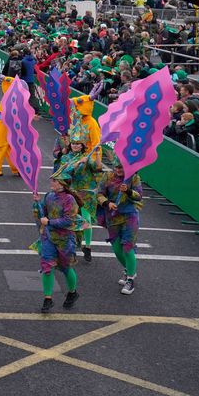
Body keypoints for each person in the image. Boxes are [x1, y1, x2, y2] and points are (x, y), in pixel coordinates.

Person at [33, 172, 85, 313]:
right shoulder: (49, 196)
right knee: (47, 265)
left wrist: (50, 222)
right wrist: (37, 202)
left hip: (65, 239)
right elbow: (41, 214)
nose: (51, 182)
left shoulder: (69, 200)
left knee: (66, 267)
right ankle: (47, 298)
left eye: (54, 180)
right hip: (49, 237)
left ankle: (72, 292)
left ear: (62, 184)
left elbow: (70, 220)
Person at [55, 116, 103, 261]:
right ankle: (76, 243)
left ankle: (87, 247)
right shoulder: (65, 158)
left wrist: (96, 155)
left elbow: (98, 169)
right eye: (74, 143)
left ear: (83, 145)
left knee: (86, 219)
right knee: (72, 221)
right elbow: (64, 174)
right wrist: (76, 164)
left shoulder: (87, 157)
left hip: (87, 192)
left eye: (78, 144)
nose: (76, 146)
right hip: (71, 193)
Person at [97, 159, 143, 295]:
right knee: (117, 248)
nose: (118, 170)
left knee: (128, 247)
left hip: (130, 216)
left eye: (121, 168)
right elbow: (99, 193)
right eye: (116, 167)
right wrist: (107, 203)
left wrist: (128, 191)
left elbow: (139, 196)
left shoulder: (134, 177)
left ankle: (130, 279)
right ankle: (129, 270)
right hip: (112, 216)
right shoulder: (107, 176)